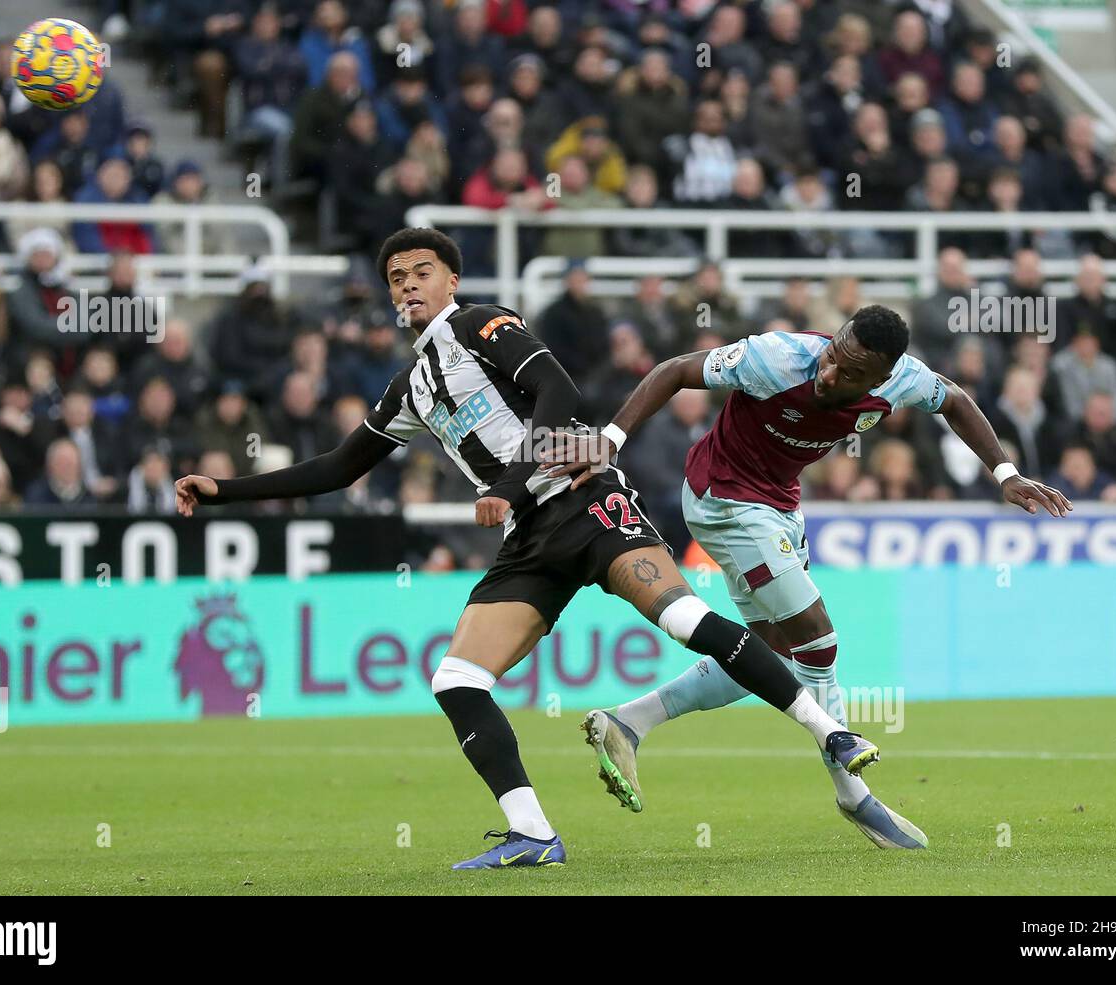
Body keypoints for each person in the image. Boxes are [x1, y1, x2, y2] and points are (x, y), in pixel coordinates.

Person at [175, 228, 882, 870]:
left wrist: (513, 484)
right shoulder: (410, 387)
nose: (408, 285)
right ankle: (534, 834)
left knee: (680, 617)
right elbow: (337, 466)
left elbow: (558, 388)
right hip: (530, 538)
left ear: (451, 281)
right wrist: (223, 491)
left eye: (422, 271)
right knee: (456, 679)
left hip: (585, 498)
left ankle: (831, 733)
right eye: (396, 278)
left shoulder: (483, 324)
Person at [542, 305, 1072, 850]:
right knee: (816, 633)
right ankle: (852, 789)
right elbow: (677, 370)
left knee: (768, 654)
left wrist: (1005, 474)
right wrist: (610, 438)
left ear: (881, 377)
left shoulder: (904, 380)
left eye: (849, 372)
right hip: (722, 498)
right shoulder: (776, 357)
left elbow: (956, 400)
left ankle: (630, 722)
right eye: (833, 356)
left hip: (779, 505)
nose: (829, 373)